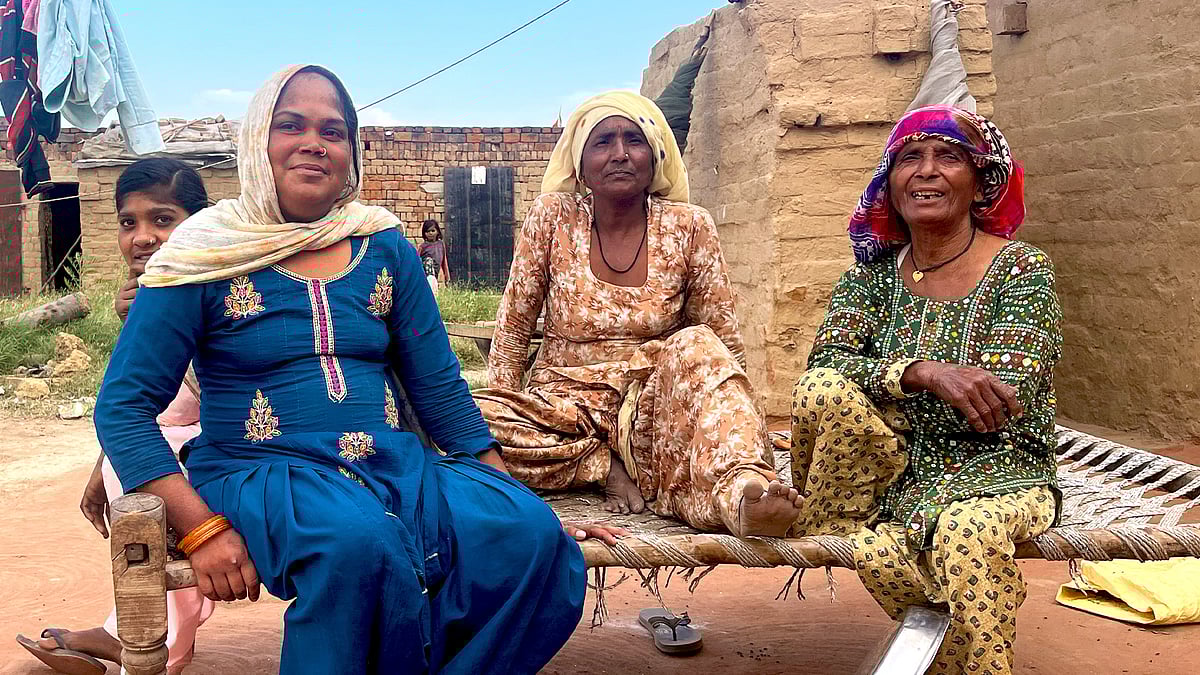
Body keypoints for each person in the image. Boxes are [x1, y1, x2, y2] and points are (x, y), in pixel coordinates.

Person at [93, 64, 606, 674]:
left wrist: (510, 492)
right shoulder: (201, 253)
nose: (313, 142)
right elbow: (123, 410)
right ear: (259, 140)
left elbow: (438, 386)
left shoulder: (383, 243)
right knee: (358, 546)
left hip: (390, 463)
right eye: (291, 125)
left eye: (333, 131)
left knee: (529, 537)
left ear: (351, 152)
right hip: (261, 470)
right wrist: (202, 529)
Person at [789, 105, 1061, 675]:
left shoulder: (1021, 271)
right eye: (910, 157)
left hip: (998, 471)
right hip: (889, 478)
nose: (927, 171)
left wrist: (883, 396)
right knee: (821, 389)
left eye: (948, 157)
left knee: (967, 534)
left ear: (982, 180)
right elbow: (827, 364)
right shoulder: (871, 277)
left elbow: (1001, 407)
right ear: (890, 183)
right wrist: (922, 373)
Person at [472, 91, 802, 537]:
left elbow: (723, 345)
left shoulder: (689, 226)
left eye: (635, 140)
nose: (620, 154)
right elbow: (512, 330)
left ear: (656, 156)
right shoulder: (552, 217)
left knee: (699, 343)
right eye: (603, 142)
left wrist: (726, 420)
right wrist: (509, 417)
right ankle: (598, 466)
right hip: (565, 413)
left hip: (651, 413)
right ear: (581, 164)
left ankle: (743, 491)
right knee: (466, 416)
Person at [17, 158, 214, 675]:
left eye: (163, 220)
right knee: (136, 499)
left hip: (218, 451)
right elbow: (135, 407)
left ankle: (145, 644)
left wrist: (157, 322)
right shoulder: (141, 298)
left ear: (201, 223)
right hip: (157, 454)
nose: (143, 237)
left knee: (153, 502)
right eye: (129, 223)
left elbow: (213, 395)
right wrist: (101, 466)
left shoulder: (221, 289)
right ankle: (131, 633)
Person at [417, 218, 449, 292]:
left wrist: (447, 279)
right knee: (428, 261)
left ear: (437, 231)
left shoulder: (441, 244)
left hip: (435, 273)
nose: (430, 233)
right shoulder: (422, 246)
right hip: (425, 275)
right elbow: (416, 262)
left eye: (433, 231)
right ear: (424, 233)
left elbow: (444, 263)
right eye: (427, 231)